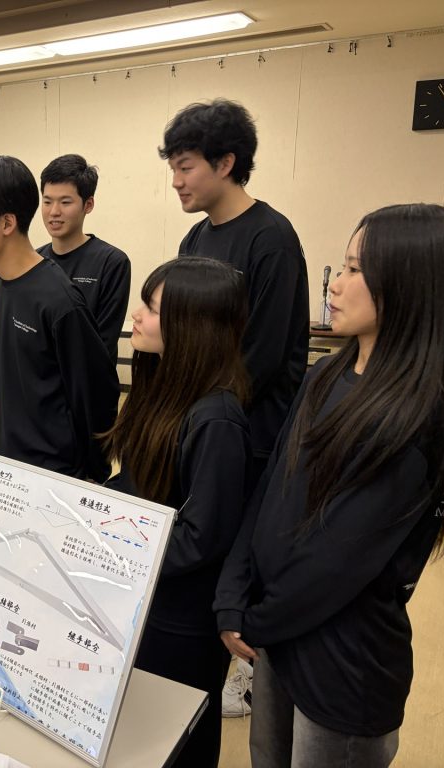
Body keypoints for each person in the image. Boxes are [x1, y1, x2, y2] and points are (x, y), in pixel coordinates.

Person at [214, 204, 444, 767]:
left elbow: (336, 562)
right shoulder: (326, 374)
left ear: (409, 286)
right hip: (281, 632)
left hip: (343, 663)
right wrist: (234, 591)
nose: (336, 283)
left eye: (356, 270)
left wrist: (256, 621)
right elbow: (271, 489)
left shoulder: (419, 416)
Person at [159, 98, 308, 714]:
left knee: (233, 554)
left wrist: (208, 415)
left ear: (226, 163)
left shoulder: (271, 239)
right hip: (202, 422)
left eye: (186, 166)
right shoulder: (196, 236)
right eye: (172, 167)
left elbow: (264, 355)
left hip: (249, 431)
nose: (176, 181)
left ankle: (241, 669)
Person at [105, 257, 251, 768]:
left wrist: (118, 551)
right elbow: (136, 482)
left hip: (181, 615)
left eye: (152, 307)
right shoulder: (161, 387)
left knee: (180, 738)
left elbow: (202, 537)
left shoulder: (217, 419)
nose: (137, 316)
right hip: (145, 595)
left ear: (192, 325)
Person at [0, 155, 119, 481]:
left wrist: (92, 476)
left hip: (54, 475)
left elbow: (97, 396)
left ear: (6, 224)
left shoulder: (59, 301)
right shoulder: (0, 284)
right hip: (9, 465)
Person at [37, 154, 130, 362]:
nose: (54, 212)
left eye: (65, 202)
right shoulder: (34, 261)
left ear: (88, 205)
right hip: (39, 379)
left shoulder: (112, 262)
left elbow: (103, 341)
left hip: (87, 377)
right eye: (47, 201)